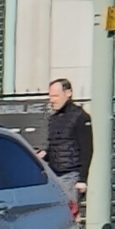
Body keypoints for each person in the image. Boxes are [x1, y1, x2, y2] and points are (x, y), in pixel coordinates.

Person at [41, 78, 93, 210]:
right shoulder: (54, 118)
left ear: (68, 93)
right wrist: (44, 154)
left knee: (69, 212)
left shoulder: (80, 116)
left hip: (71, 174)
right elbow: (56, 144)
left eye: (56, 96)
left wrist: (82, 179)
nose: (52, 100)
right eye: (50, 96)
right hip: (54, 174)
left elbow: (87, 149)